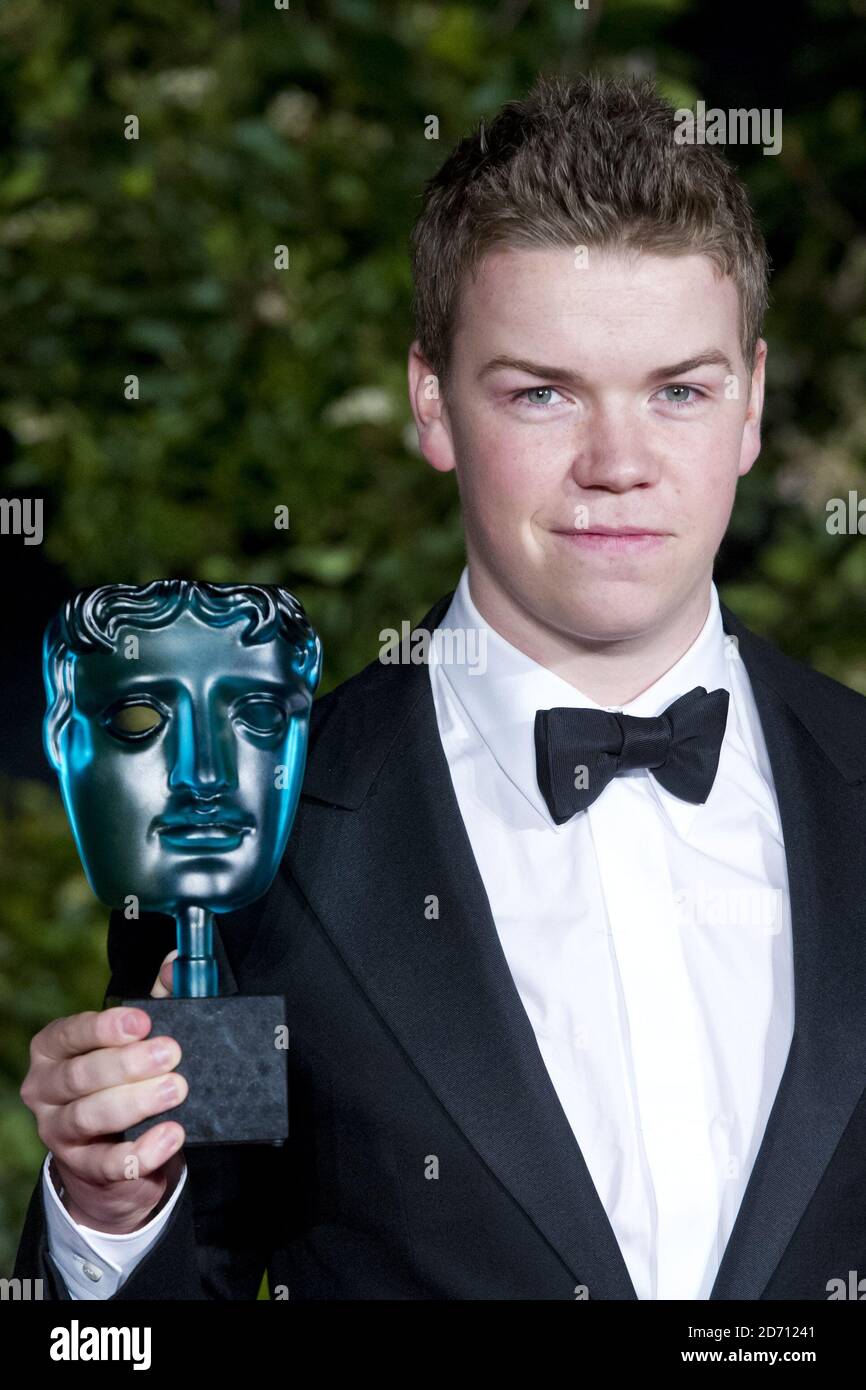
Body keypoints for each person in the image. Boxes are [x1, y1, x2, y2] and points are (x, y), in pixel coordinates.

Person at [15, 70, 866, 1301]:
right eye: (540, 392)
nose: (618, 465)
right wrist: (108, 1214)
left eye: (678, 390)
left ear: (751, 403)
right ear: (432, 404)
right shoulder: (266, 833)